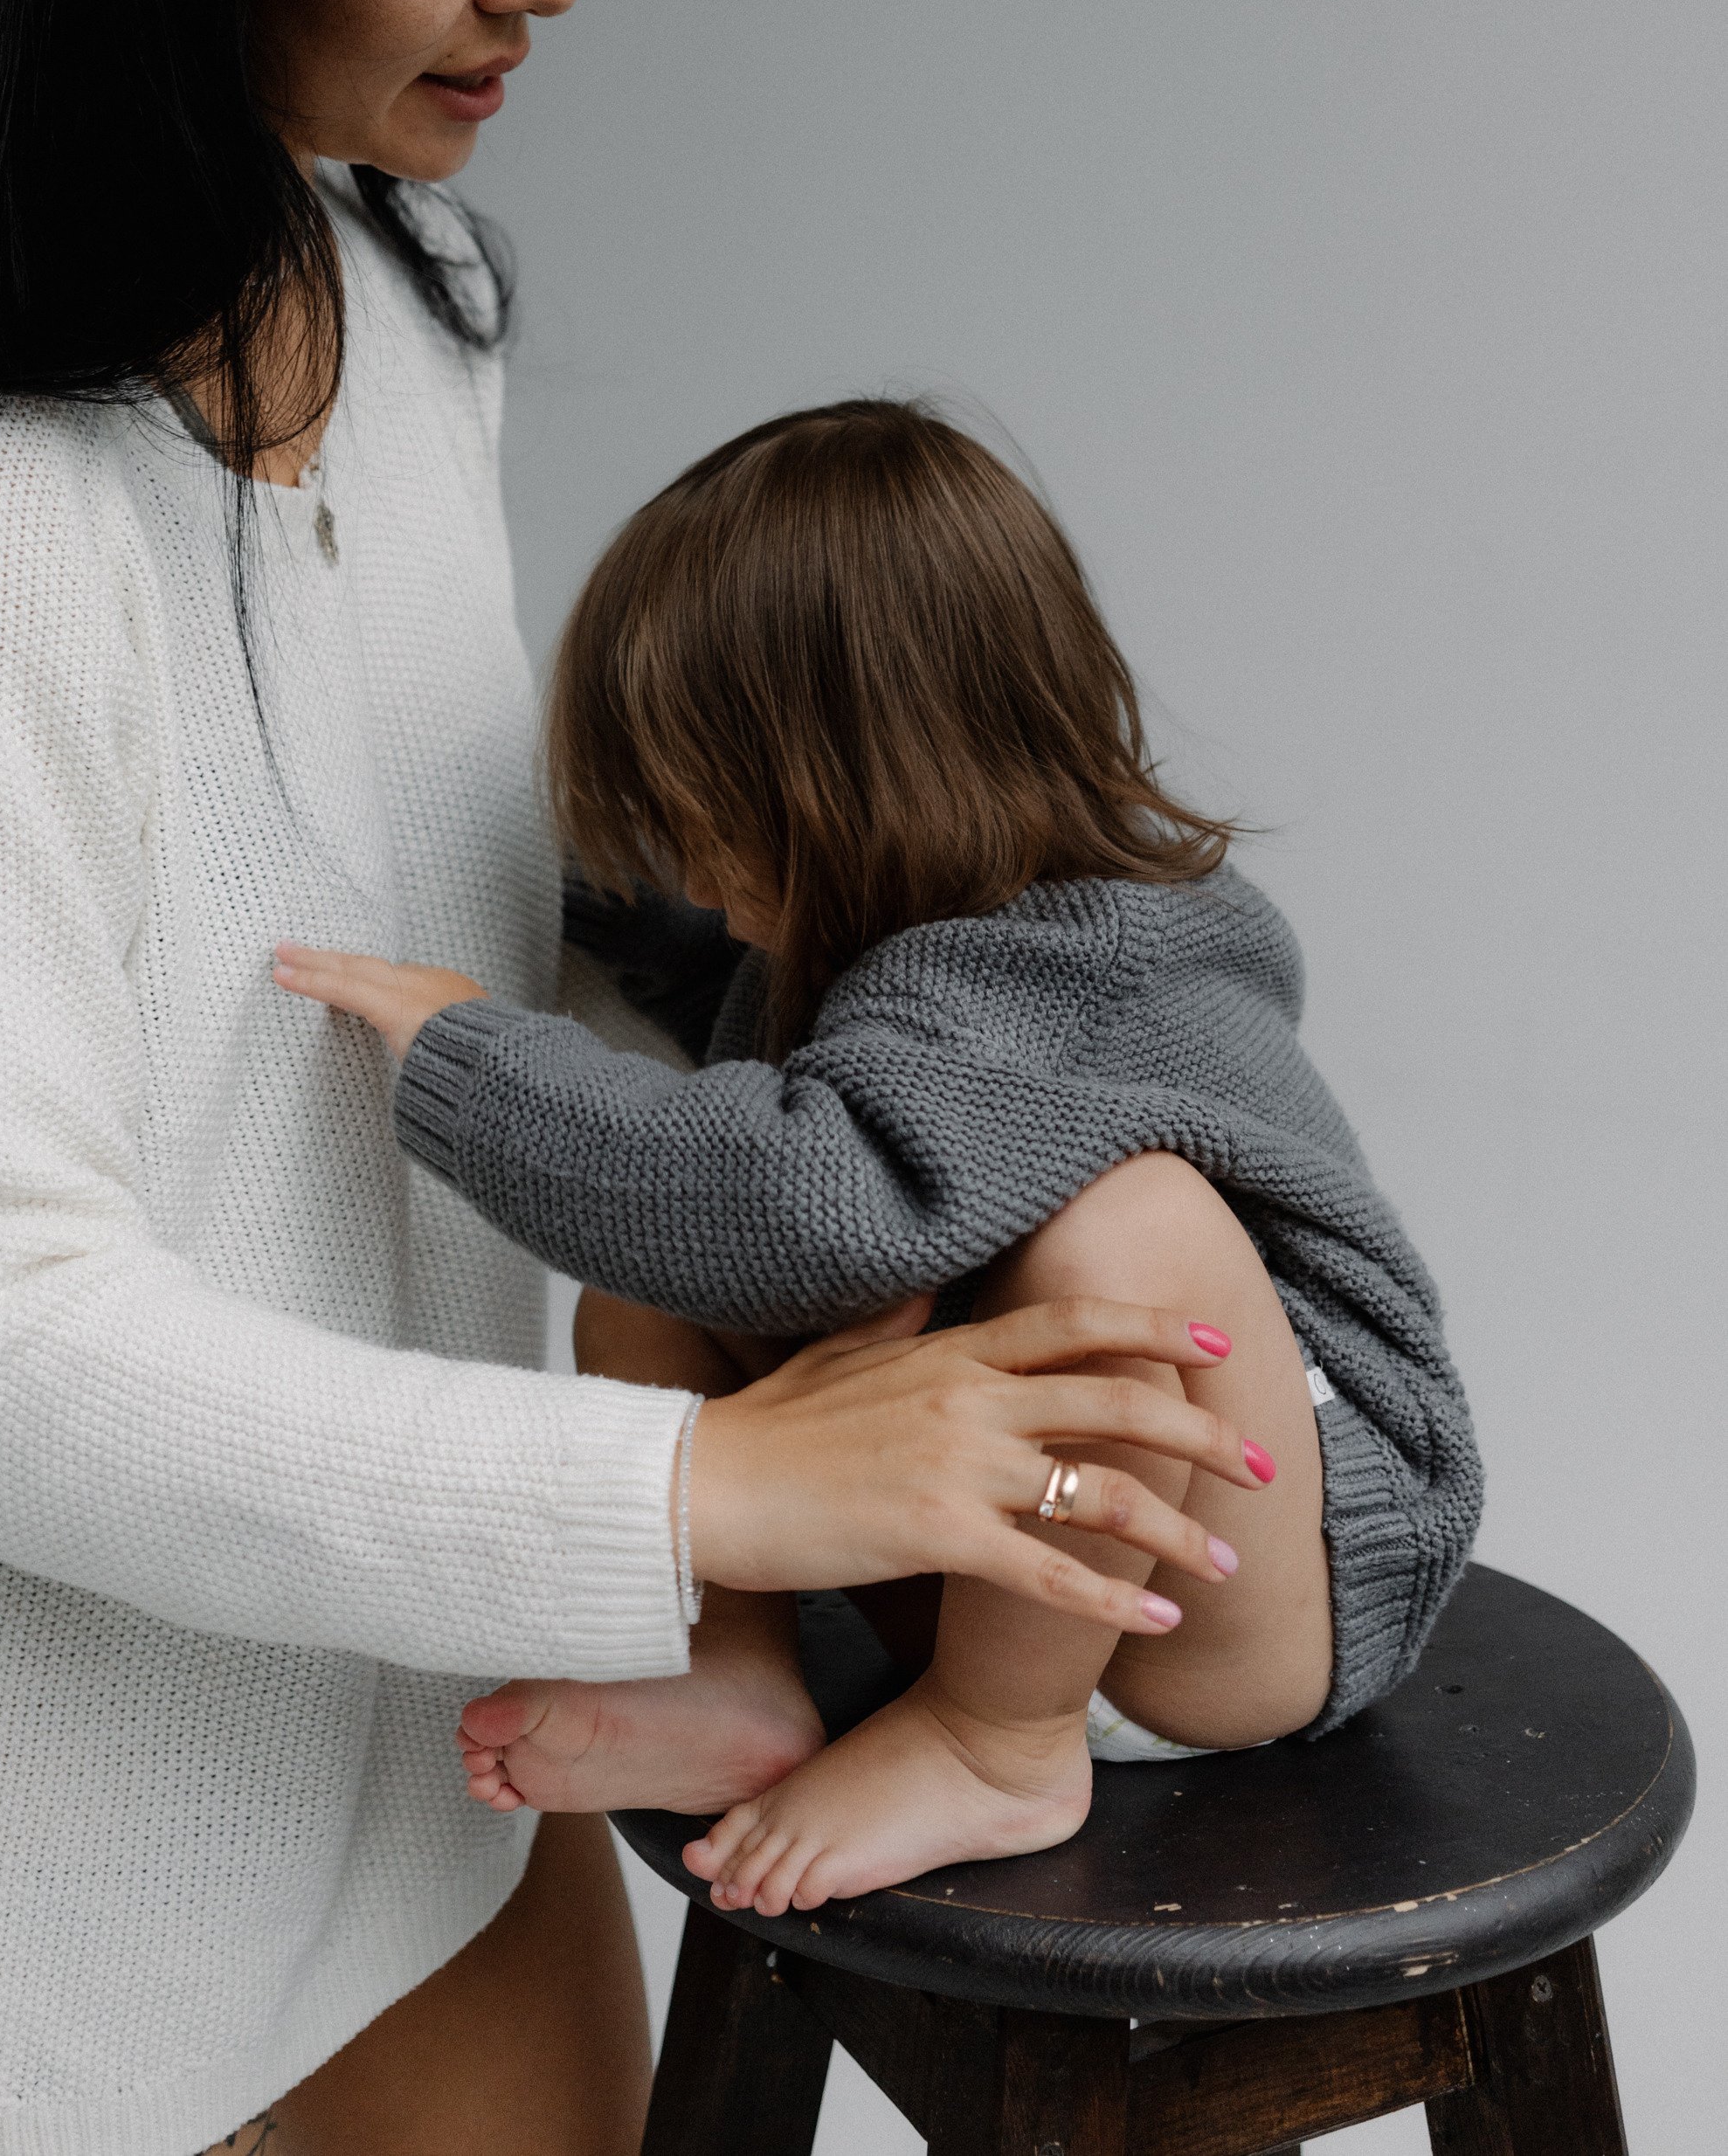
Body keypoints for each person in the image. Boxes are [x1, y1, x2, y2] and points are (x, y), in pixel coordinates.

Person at [0, 0, 1273, 2156]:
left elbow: (505, 937)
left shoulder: (419, 317)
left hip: (427, 1741)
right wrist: (715, 1503)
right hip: (52, 1903)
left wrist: (1019, 1090)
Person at [273, 397, 1484, 1917]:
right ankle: (735, 1671)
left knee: (1126, 1226)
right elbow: (756, 1036)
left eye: (721, 834)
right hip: (1024, 1559)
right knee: (649, 1284)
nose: (701, 884)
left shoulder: (1070, 964)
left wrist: (476, 1062)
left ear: (862, 790)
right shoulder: (895, 943)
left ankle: (998, 1745)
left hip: (1239, 1595)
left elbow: (807, 1202)